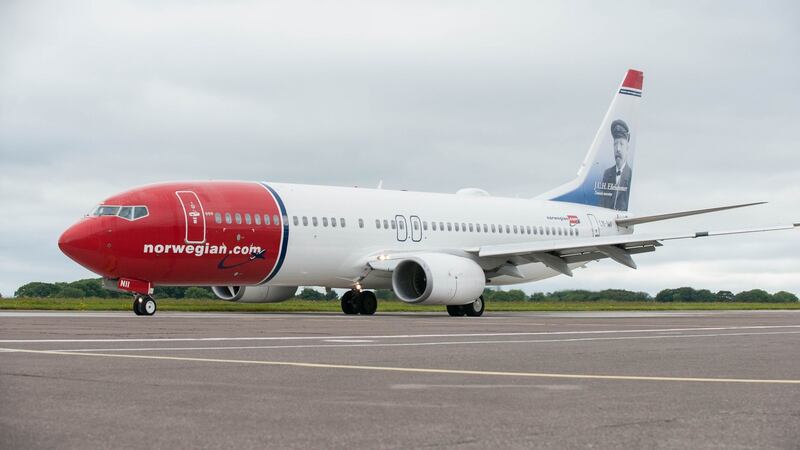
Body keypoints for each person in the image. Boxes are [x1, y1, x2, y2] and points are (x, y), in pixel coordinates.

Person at [599, 119, 632, 210]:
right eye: (615, 144)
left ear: (627, 148)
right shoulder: (607, 174)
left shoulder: (630, 175)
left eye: (621, 144)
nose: (618, 149)